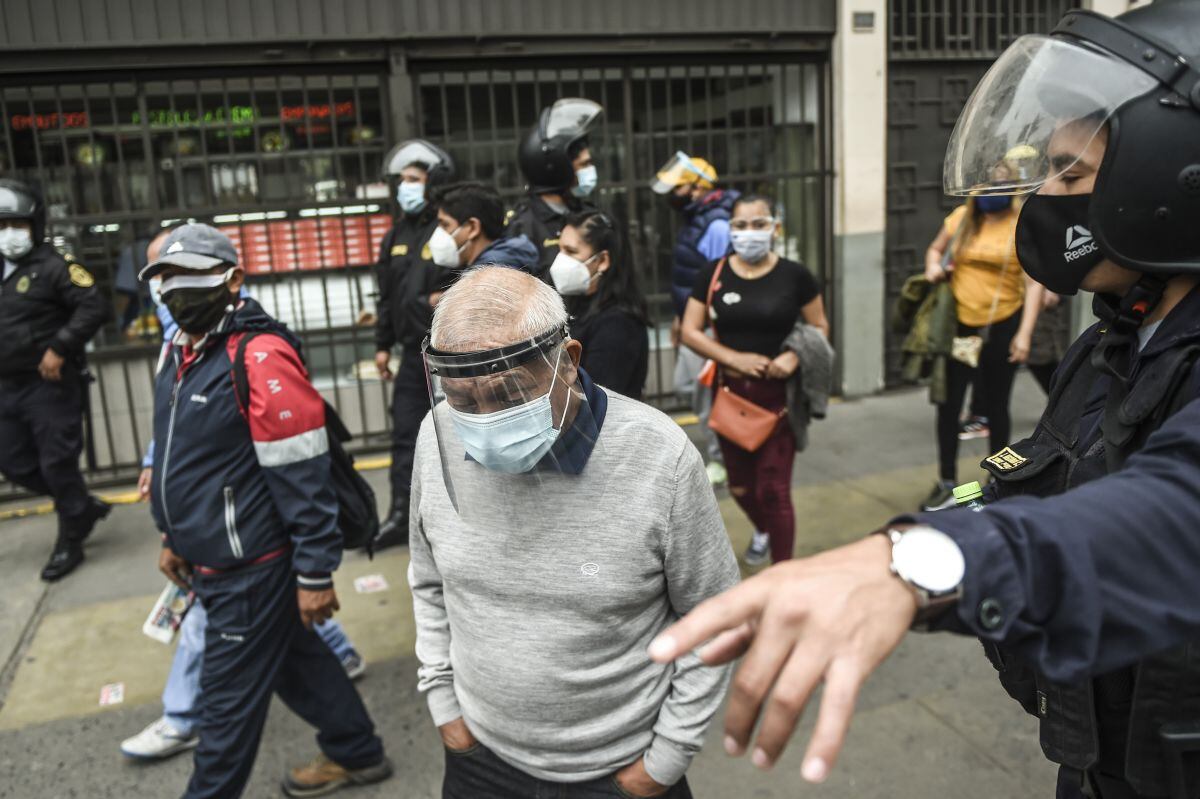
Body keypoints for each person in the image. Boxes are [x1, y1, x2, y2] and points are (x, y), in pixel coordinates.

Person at [648, 5, 1200, 797]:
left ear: (1176, 175)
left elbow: (1168, 512)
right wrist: (907, 539)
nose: (1046, 194)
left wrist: (918, 564)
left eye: (1072, 174)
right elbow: (1043, 483)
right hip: (1102, 752)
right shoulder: (1120, 334)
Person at [409, 266, 739, 798]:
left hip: (620, 771)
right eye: (464, 401)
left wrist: (665, 760)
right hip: (480, 759)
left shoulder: (659, 457)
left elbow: (714, 617)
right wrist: (444, 704)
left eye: (510, 395)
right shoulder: (438, 434)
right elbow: (428, 578)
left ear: (568, 362)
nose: (484, 420)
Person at [140, 224, 392, 798]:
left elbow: (303, 478)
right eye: (164, 279)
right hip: (214, 557)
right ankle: (358, 751)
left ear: (233, 279)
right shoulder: (178, 351)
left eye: (192, 276)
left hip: (251, 565)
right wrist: (173, 535)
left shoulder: (259, 355)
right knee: (293, 662)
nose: (176, 290)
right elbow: (184, 458)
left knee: (225, 713)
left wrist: (314, 573)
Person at [679, 195, 829, 567]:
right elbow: (689, 330)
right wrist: (734, 359)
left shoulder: (795, 275)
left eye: (759, 224)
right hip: (729, 394)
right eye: (741, 226)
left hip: (778, 396)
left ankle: (783, 573)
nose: (750, 233)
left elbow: (820, 326)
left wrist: (793, 357)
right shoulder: (713, 273)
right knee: (741, 486)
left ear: (774, 227)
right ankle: (762, 528)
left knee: (774, 489)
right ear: (730, 230)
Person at [0, 178, 111, 581]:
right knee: (11, 462)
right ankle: (79, 504)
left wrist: (60, 346)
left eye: (16, 224)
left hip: (49, 386)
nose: (8, 234)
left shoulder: (58, 266)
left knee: (57, 463)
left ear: (36, 225)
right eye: (1, 225)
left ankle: (71, 539)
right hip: (6, 386)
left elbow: (94, 305)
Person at [920, 181, 1045, 511]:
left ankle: (996, 482)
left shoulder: (1021, 223)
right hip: (963, 330)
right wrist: (933, 267)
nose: (990, 195)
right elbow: (935, 249)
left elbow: (1034, 284)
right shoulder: (962, 218)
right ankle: (948, 482)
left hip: (1002, 326)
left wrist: (1025, 333)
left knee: (996, 405)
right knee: (950, 403)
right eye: (984, 188)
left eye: (998, 188)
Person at [373, 139, 457, 550]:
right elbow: (386, 297)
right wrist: (382, 344)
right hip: (411, 355)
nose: (404, 187)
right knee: (406, 434)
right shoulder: (395, 236)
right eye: (401, 180)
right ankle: (401, 515)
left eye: (413, 179)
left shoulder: (446, 230)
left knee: (456, 437)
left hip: (449, 355)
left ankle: (456, 517)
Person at [651, 152, 739, 485]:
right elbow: (693, 280)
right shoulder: (698, 218)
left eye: (681, 189)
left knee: (707, 395)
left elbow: (718, 283)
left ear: (699, 188)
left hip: (709, 330)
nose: (675, 196)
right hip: (694, 324)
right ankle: (726, 451)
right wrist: (680, 318)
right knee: (690, 387)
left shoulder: (716, 224)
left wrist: (699, 325)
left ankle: (724, 460)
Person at [550, 209, 650, 398]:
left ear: (602, 260)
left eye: (571, 251)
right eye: (560, 249)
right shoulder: (578, 305)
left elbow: (597, 395)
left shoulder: (618, 323)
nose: (560, 260)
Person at [507, 98, 603, 278]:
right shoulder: (522, 227)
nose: (590, 171)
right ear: (557, 169)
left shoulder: (589, 214)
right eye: (584, 165)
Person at [431, 182, 539, 273]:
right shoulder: (505, 263)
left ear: (473, 227)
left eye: (445, 225)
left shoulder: (490, 277)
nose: (439, 232)